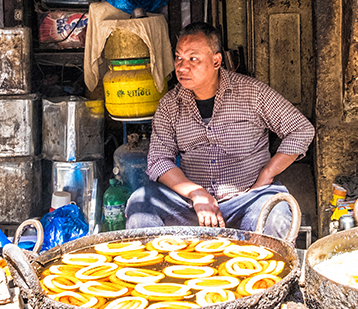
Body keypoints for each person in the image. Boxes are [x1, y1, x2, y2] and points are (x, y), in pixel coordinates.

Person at [125, 22, 314, 239]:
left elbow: (301, 129)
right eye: (178, 58)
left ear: (216, 60)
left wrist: (267, 173)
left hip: (248, 198)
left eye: (193, 59)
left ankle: (260, 272)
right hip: (191, 205)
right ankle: (158, 271)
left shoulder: (252, 93)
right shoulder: (170, 105)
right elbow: (159, 160)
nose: (182, 67)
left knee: (275, 215)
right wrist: (196, 193)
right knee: (140, 204)